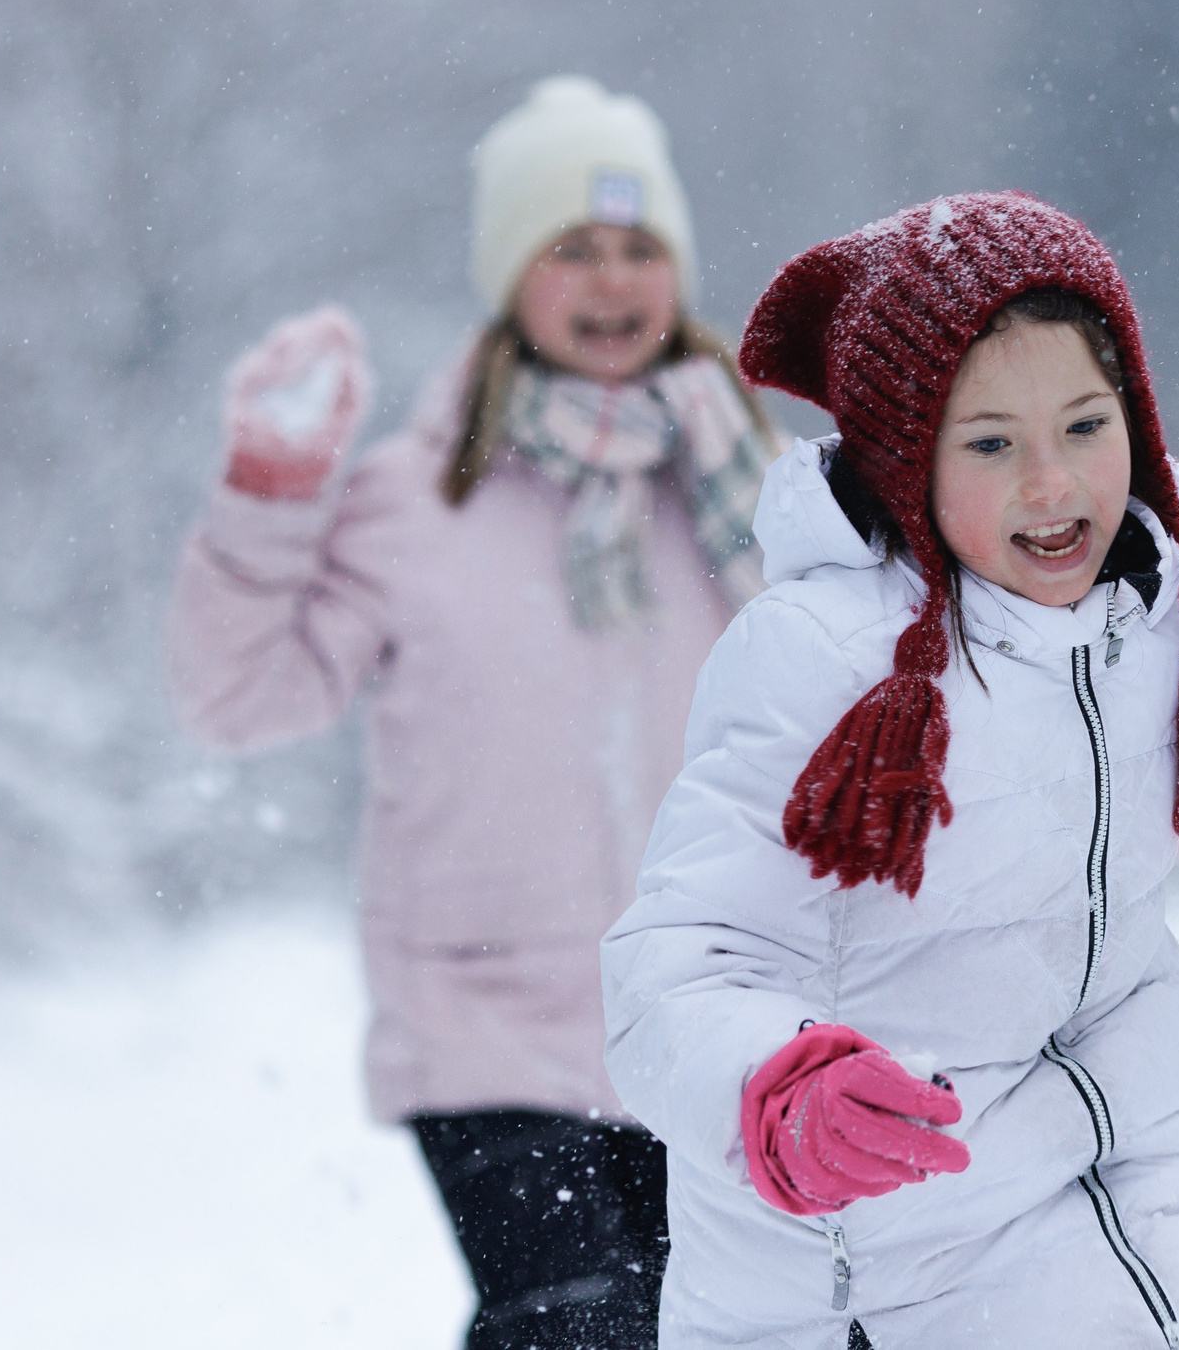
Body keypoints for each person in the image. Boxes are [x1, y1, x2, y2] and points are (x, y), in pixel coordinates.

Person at [600, 192, 1179, 1349]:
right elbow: (672, 965)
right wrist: (777, 1094)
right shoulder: (819, 659)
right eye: (992, 443)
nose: (1053, 486)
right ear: (908, 463)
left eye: (1086, 428)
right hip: (875, 1263)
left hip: (1129, 1198)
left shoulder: (1162, 607)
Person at [166, 76, 777, 1349]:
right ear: (509, 275)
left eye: (638, 248)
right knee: (574, 1324)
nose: (611, 281)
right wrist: (273, 494)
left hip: (707, 1009)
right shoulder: (411, 501)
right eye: (570, 248)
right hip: (484, 1017)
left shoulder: (747, 494)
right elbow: (236, 696)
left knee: (720, 1328)